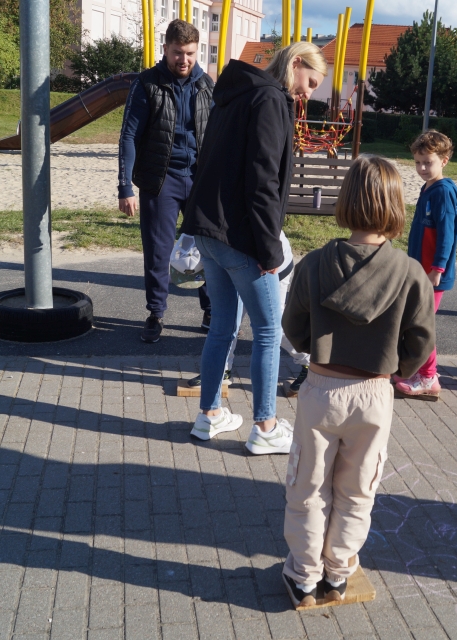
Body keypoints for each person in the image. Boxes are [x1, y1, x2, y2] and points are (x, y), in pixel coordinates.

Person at [279, 155, 436, 608]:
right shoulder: (410, 272)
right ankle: (339, 572)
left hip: (321, 388)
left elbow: (294, 327)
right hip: (374, 394)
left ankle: (303, 576)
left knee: (308, 489)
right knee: (357, 490)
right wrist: (397, 370)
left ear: (345, 200)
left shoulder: (314, 264)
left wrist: (316, 346)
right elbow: (421, 341)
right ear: (395, 205)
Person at [180, 42, 327, 455]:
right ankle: (265, 426)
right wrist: (269, 251)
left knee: (222, 327)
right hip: (241, 238)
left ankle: (209, 415)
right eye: (311, 81)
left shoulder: (234, 93)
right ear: (296, 63)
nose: (308, 93)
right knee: (267, 331)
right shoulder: (270, 100)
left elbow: (209, 160)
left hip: (208, 231)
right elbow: (262, 182)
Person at [118, 20, 215, 343]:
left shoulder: (207, 86)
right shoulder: (147, 84)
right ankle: (156, 313)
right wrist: (125, 187)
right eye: (177, 53)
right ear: (166, 49)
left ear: (197, 51)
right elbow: (129, 136)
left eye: (190, 53)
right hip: (161, 180)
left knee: (208, 250)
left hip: (200, 180)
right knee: (158, 252)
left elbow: (218, 136)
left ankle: (211, 309)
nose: (183, 60)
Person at [186, 231, 311, 392]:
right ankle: (222, 370)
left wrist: (270, 259)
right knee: (227, 321)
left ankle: (311, 362)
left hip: (268, 263)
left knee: (274, 326)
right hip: (235, 262)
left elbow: (267, 224)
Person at [394, 130, 457, 399]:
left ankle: (428, 377)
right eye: (418, 162)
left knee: (422, 325)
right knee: (416, 322)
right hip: (420, 270)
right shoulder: (428, 188)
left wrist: (438, 268)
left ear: (444, 161)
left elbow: (447, 236)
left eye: (428, 162)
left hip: (432, 273)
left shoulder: (443, 192)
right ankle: (417, 371)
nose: (422, 168)